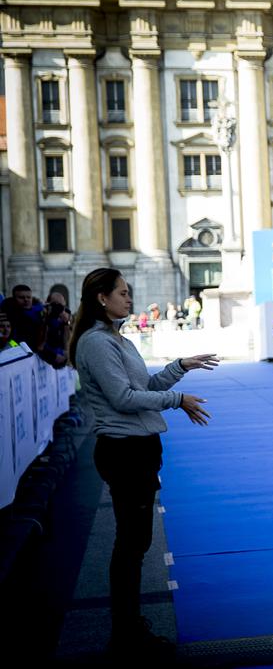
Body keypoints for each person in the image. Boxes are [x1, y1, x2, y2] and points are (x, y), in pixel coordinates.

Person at [69, 268, 219, 657]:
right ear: (102, 298)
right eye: (122, 292)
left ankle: (130, 627)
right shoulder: (98, 343)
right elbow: (123, 398)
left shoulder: (117, 339)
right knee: (132, 544)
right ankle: (126, 633)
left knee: (136, 542)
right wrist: (178, 401)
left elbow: (145, 388)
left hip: (138, 448)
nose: (129, 298)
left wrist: (179, 367)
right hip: (125, 450)